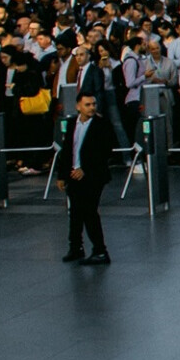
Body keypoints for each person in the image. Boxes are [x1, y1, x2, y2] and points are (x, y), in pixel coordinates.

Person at [58, 92, 115, 266]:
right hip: (73, 175)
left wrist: (86, 170)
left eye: (93, 104)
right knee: (75, 212)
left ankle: (100, 250)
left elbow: (105, 151)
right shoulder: (71, 124)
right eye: (87, 105)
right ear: (78, 106)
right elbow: (66, 150)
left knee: (89, 211)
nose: (92, 108)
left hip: (93, 176)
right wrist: (62, 175)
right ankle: (76, 247)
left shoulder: (102, 125)